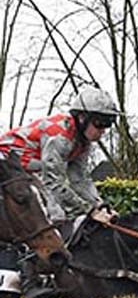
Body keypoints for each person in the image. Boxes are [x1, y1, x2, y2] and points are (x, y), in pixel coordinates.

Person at [0, 86, 122, 225]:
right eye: (100, 123)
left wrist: (100, 206)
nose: (103, 131)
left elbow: (79, 179)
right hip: (5, 161)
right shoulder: (59, 137)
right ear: (82, 118)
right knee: (54, 214)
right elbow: (53, 182)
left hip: (26, 169)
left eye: (108, 124)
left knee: (56, 213)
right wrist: (90, 211)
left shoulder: (83, 141)